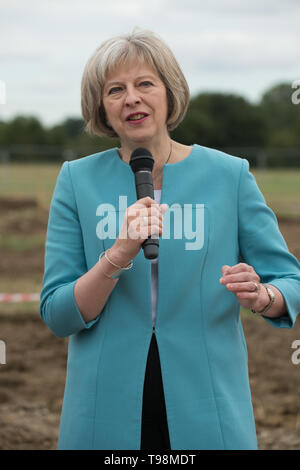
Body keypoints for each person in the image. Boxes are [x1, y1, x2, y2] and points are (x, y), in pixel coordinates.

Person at [40, 28, 300, 450]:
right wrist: (118, 255)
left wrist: (263, 294)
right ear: (102, 108)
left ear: (169, 92)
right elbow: (57, 313)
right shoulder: (76, 181)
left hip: (208, 411)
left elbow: (290, 280)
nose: (132, 99)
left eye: (145, 83)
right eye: (115, 90)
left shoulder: (228, 175)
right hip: (103, 415)